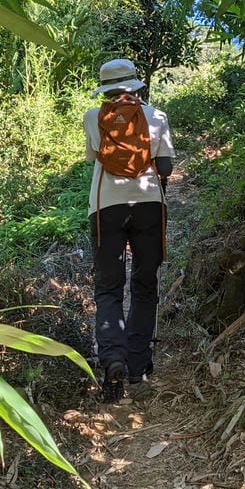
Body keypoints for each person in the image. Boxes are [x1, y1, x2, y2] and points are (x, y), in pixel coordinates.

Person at [84, 58, 174, 403]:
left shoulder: (93, 117)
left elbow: (94, 158)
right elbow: (165, 165)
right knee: (144, 283)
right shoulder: (157, 117)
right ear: (136, 85)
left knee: (108, 288)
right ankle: (138, 366)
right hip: (149, 204)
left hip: (106, 206)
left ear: (105, 88)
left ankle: (113, 361)